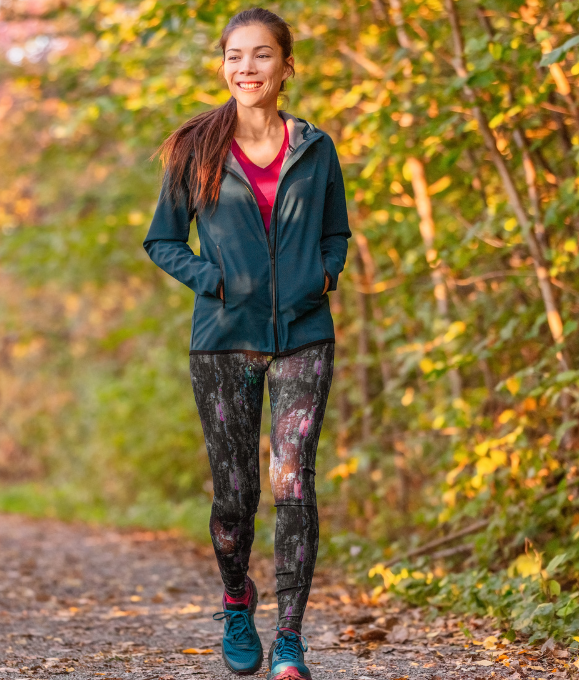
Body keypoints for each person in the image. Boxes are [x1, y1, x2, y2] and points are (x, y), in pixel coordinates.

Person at [142, 9, 350, 679]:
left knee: (293, 483)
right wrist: (214, 280)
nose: (248, 68)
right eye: (236, 56)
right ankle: (238, 599)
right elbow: (162, 240)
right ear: (223, 66)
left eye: (262, 56)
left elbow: (336, 232)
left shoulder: (315, 149)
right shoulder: (196, 148)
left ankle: (289, 638)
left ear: (287, 66)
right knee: (235, 495)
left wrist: (324, 273)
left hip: (304, 335)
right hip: (224, 341)